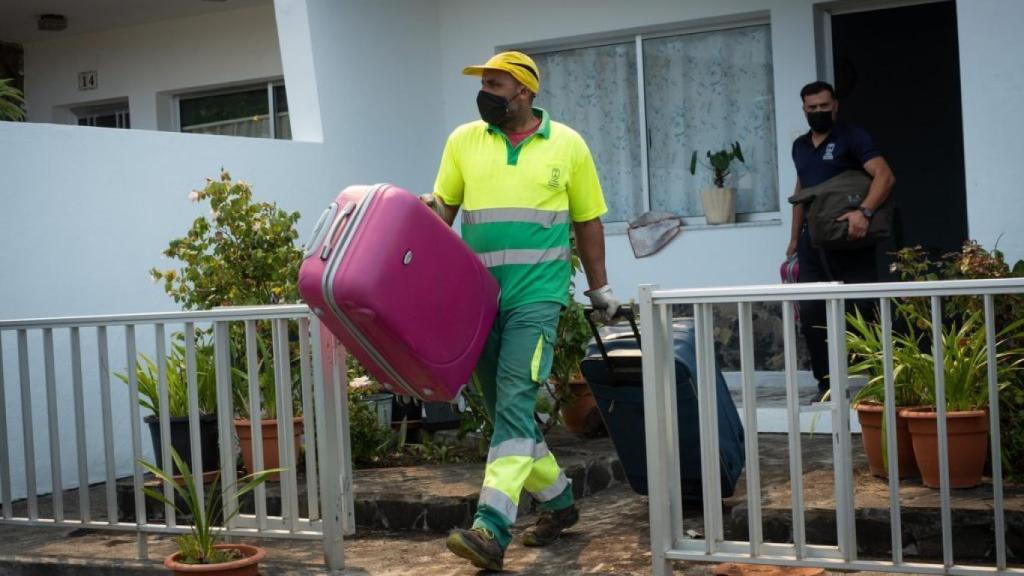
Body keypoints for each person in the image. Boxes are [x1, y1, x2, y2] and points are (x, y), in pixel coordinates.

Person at [422, 51, 619, 571]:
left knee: (513, 400)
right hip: (478, 298)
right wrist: (426, 213)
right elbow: (445, 210)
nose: (484, 93)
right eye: (483, 83)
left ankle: (491, 527)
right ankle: (559, 501)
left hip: (536, 297)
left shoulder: (568, 145)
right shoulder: (463, 141)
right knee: (504, 413)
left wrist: (599, 288)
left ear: (524, 92)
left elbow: (588, 220)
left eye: (495, 84)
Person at [787, 81, 895, 403]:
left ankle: (882, 385)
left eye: (824, 106)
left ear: (835, 105)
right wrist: (793, 239)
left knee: (864, 311)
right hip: (813, 245)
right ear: (804, 110)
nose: (818, 112)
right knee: (812, 315)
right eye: (812, 108)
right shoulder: (799, 146)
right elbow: (801, 191)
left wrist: (864, 212)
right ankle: (827, 387)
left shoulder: (852, 136)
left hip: (851, 241)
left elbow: (885, 176)